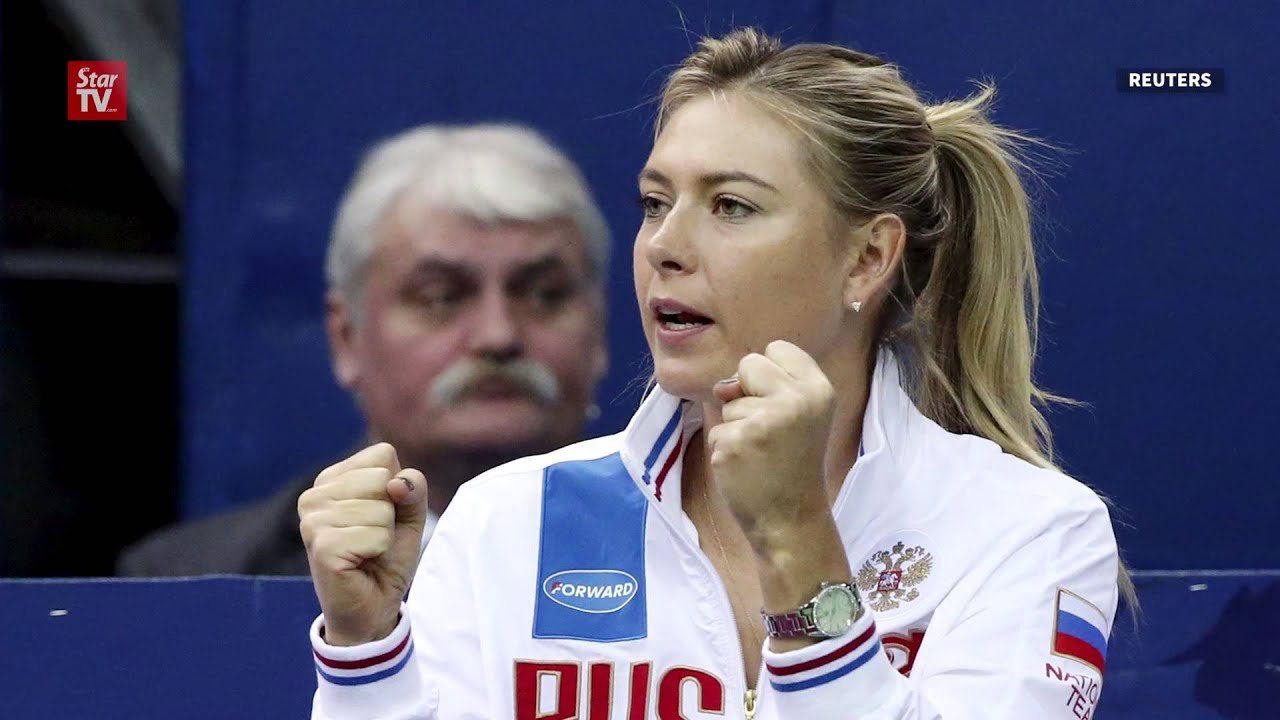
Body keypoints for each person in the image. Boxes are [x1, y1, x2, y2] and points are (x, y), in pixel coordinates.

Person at [300, 29, 1132, 719]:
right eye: (655, 203)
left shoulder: (1026, 530)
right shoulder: (507, 521)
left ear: (867, 257)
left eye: (731, 205)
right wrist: (367, 657)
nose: (665, 245)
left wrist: (800, 540)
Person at [117, 123, 611, 576]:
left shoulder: (662, 549)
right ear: (346, 338)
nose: (498, 336)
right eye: (440, 298)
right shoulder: (189, 577)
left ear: (599, 329)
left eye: (544, 295)